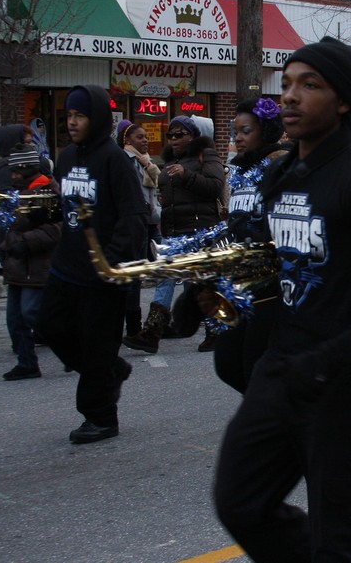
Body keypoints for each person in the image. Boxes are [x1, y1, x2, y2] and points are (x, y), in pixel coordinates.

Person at [212, 37, 351, 562]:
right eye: (285, 84)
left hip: (344, 381)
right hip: (283, 367)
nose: (290, 96)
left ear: (345, 101)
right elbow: (273, 265)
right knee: (240, 502)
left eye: (310, 85)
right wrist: (214, 287)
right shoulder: (283, 175)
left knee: (339, 533)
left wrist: (332, 356)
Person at [36, 85, 147, 444]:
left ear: (96, 118)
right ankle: (112, 370)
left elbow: (132, 216)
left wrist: (111, 261)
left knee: (98, 346)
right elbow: (66, 206)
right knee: (50, 328)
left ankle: (100, 417)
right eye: (68, 115)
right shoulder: (66, 157)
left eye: (79, 115)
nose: (72, 122)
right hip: (66, 267)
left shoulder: (115, 160)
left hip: (104, 274)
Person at [171, 97, 289, 393]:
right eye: (234, 130)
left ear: (266, 131)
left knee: (254, 368)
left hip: (270, 288)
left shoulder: (283, 166)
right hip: (237, 283)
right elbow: (236, 223)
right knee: (227, 364)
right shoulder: (240, 170)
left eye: (245, 130)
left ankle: (274, 425)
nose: (237, 137)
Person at [124, 115, 225, 354]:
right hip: (173, 230)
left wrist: (186, 176)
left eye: (179, 134)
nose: (174, 139)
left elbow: (215, 186)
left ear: (192, 136)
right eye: (171, 135)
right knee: (166, 278)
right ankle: (152, 332)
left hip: (199, 229)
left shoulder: (205, 155)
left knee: (199, 282)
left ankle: (214, 332)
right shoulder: (171, 160)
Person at [0, 145, 61, 380]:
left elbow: (57, 229)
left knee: (32, 314)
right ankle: (27, 363)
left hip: (38, 265)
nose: (12, 176)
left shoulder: (47, 191)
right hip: (18, 265)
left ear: (26, 170)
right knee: (15, 319)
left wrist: (26, 242)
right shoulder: (19, 192)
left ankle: (71, 350)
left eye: (15, 171)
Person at [117, 121, 161, 344]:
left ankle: (157, 321)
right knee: (134, 273)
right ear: (127, 141)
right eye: (139, 137)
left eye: (146, 136)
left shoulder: (145, 162)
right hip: (136, 224)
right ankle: (134, 327)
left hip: (151, 222)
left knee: (165, 268)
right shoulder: (126, 161)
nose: (145, 140)